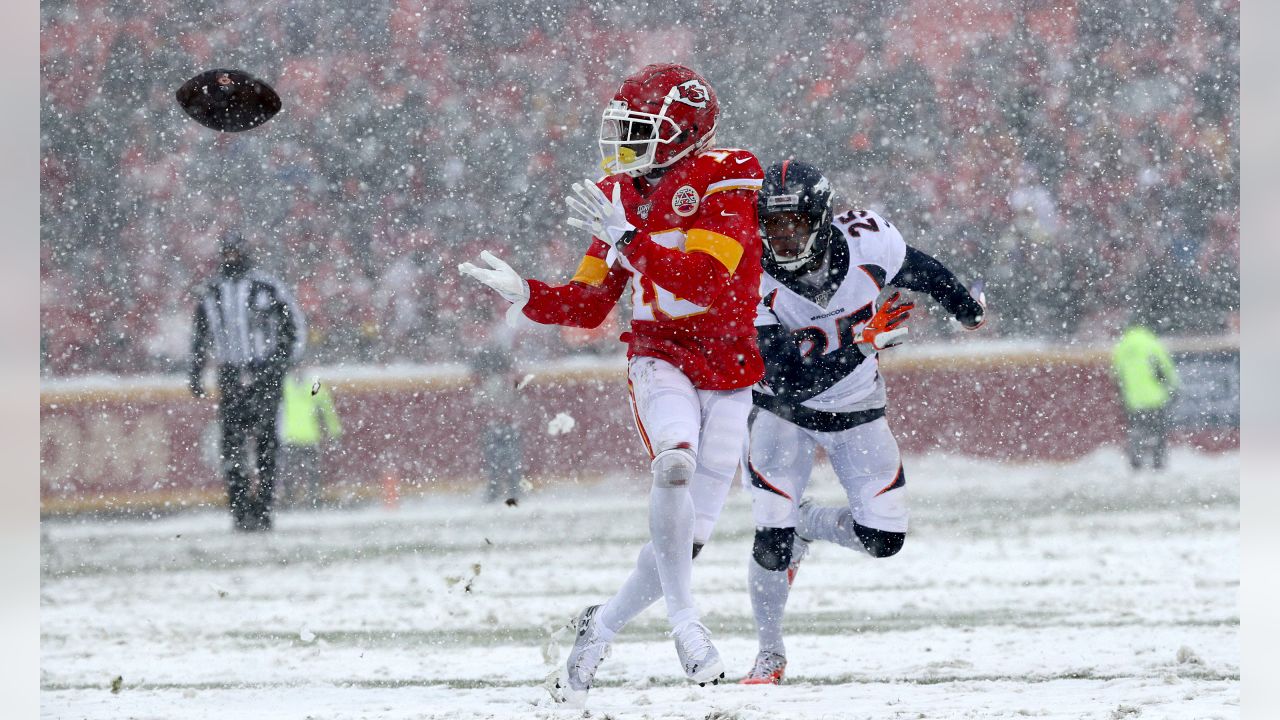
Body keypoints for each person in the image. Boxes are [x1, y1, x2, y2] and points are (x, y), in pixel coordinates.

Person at [458, 64, 764, 703]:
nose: (625, 143)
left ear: (683, 130)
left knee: (690, 536)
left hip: (731, 367)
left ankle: (601, 627)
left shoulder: (726, 175)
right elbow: (594, 303)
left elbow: (707, 279)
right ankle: (688, 625)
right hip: (661, 356)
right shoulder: (620, 194)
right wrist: (529, 296)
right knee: (673, 465)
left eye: (639, 129)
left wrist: (632, 239)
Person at [740, 160, 987, 684]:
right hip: (782, 412)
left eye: (795, 221)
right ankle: (769, 653)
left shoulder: (867, 240)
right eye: (773, 222)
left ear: (823, 218)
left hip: (857, 410)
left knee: (884, 539)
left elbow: (917, 267)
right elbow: (788, 379)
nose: (783, 235)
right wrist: (861, 342)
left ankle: (808, 523)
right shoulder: (747, 274)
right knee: (770, 540)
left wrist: (966, 309)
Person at [190, 232, 305, 531]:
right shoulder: (211, 292)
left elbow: (293, 326)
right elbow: (200, 336)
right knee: (232, 446)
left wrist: (280, 362)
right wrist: (196, 371)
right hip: (230, 374)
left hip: (264, 373)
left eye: (235, 253)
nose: (231, 259)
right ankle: (241, 510)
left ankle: (263, 507)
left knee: (266, 443)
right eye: (226, 253)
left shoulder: (266, 286)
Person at [1111, 319, 1180, 470]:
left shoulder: (1122, 346)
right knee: (1158, 431)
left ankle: (1136, 461)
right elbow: (1165, 368)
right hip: (1155, 397)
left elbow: (1117, 375)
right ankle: (1158, 461)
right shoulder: (1151, 343)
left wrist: (1123, 396)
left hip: (1133, 400)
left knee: (1137, 431)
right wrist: (1173, 388)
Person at [279, 369, 342, 508]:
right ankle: (296, 498)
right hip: (292, 436)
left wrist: (334, 430)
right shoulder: (287, 385)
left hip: (308, 437)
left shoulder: (310, 385)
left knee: (307, 471)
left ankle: (310, 498)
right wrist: (334, 430)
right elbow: (327, 408)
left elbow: (326, 407)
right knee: (293, 472)